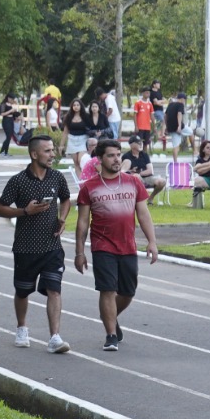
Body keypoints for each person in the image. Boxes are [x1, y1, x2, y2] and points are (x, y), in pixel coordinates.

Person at [74, 139, 159, 352]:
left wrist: (152, 242)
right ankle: (111, 334)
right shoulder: (89, 187)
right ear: (100, 159)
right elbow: (83, 222)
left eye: (118, 155)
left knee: (128, 291)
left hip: (128, 245)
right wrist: (79, 253)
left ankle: (109, 315)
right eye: (111, 155)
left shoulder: (133, 182)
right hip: (102, 245)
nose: (116, 159)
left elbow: (143, 213)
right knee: (107, 289)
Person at [0, 134, 73, 353]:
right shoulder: (18, 181)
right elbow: (0, 208)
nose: (52, 154)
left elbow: (66, 198)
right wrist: (24, 211)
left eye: (53, 150)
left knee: (54, 290)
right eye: (47, 151)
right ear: (34, 154)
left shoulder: (57, 177)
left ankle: (55, 337)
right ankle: (22, 328)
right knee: (22, 291)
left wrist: (62, 218)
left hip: (52, 247)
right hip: (26, 248)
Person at [121, 135, 166, 201]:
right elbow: (124, 172)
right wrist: (133, 173)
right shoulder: (126, 156)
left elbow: (150, 171)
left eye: (141, 142)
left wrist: (139, 173)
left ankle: (150, 198)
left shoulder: (144, 154)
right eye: (138, 143)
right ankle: (140, 200)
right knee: (136, 176)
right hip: (135, 179)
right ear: (131, 145)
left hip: (148, 178)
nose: (141, 144)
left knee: (162, 181)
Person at [62, 99, 92, 175]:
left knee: (81, 160)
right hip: (72, 140)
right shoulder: (68, 117)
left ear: (81, 106)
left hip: (83, 139)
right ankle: (80, 183)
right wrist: (61, 145)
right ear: (72, 107)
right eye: (74, 105)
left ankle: (85, 177)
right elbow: (65, 132)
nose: (76, 107)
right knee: (76, 163)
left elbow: (92, 128)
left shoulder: (86, 116)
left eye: (77, 105)